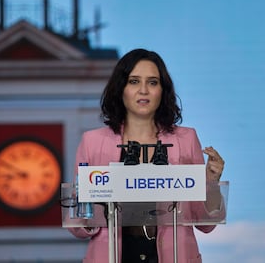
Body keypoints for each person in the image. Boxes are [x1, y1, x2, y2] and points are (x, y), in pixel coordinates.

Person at [69, 48, 226, 263]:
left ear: (162, 90)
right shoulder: (93, 142)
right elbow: (79, 228)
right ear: (121, 88)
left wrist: (211, 182)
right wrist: (87, 204)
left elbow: (205, 224)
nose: (143, 90)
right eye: (134, 81)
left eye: (152, 82)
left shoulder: (186, 140)